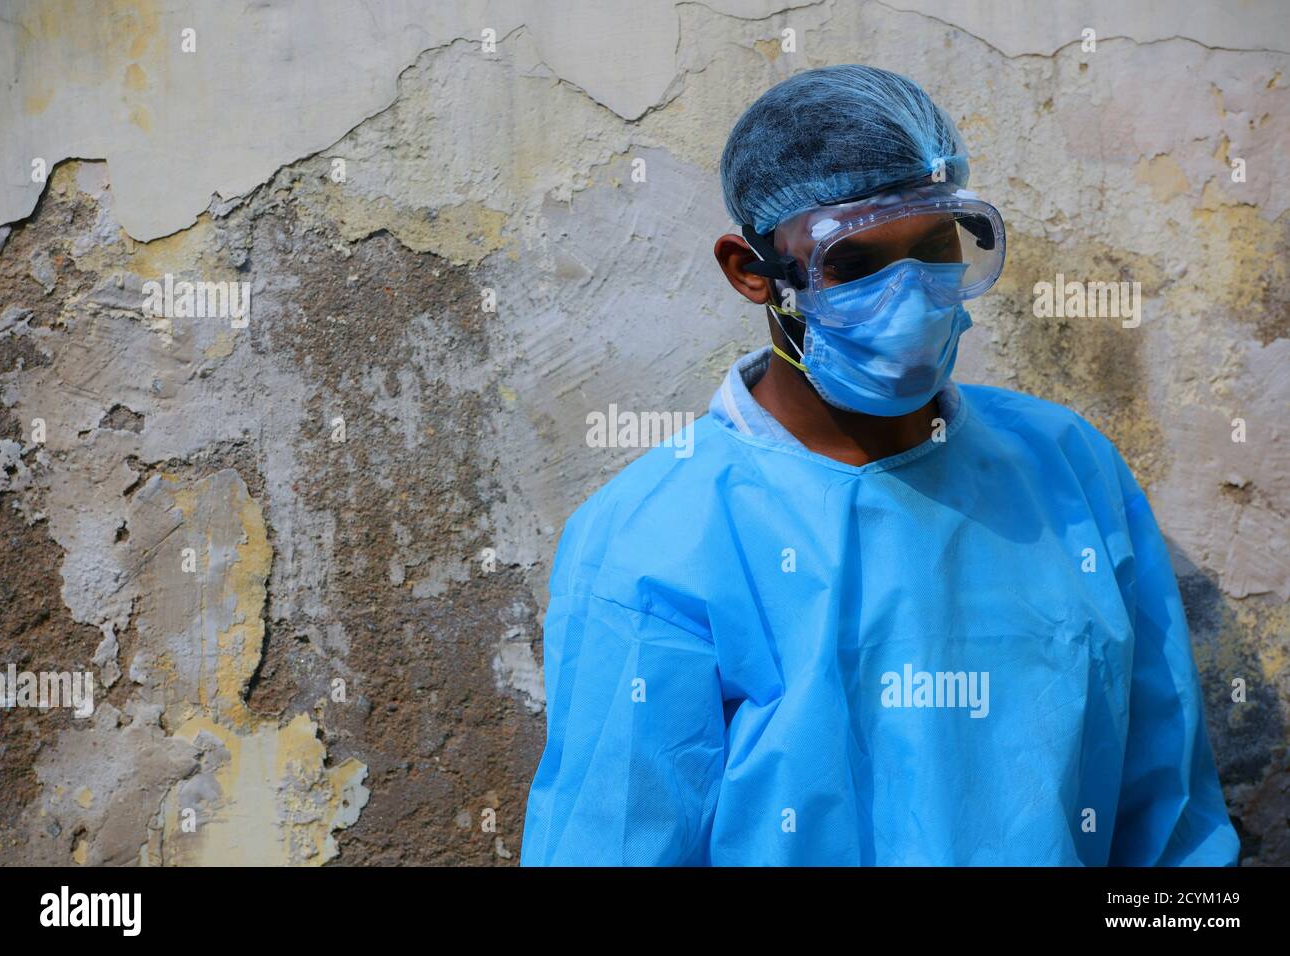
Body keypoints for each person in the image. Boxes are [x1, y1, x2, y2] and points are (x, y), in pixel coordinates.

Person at [519, 65, 1242, 866]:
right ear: (752, 271)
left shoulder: (1064, 470)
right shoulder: (655, 540)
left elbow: (1166, 811)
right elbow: (617, 838)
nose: (909, 297)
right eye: (855, 263)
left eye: (935, 247)